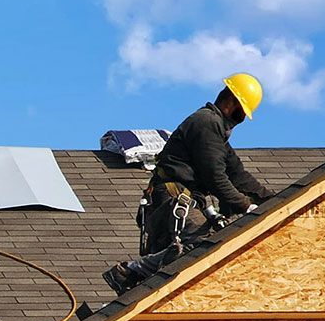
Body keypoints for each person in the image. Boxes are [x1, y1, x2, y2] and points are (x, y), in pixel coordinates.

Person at [104, 73, 272, 294]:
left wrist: (274, 200)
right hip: (172, 200)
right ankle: (129, 272)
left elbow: (238, 175)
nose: (240, 120)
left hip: (177, 202)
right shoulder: (206, 124)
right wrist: (245, 206)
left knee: (175, 268)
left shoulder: (215, 132)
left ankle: (144, 283)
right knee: (204, 248)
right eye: (242, 113)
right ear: (233, 102)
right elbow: (215, 177)